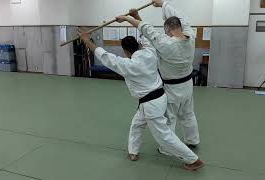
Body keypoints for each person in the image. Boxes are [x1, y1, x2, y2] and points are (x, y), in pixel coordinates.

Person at [77, 22, 204, 171]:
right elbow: (147, 36)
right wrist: (136, 18)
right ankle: (133, 151)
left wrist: (87, 41)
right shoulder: (150, 52)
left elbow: (105, 57)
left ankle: (193, 160)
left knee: (164, 136)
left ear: (125, 51)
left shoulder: (129, 65)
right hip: (159, 98)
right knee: (136, 124)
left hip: (150, 104)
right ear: (138, 44)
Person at [116, 0, 200, 155]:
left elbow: (149, 32)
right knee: (188, 114)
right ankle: (192, 140)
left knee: (170, 118)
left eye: (165, 30)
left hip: (172, 88)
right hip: (188, 84)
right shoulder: (191, 35)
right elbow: (180, 17)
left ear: (168, 29)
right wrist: (163, 4)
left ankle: (167, 149)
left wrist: (128, 18)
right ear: (180, 27)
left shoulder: (167, 44)